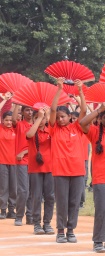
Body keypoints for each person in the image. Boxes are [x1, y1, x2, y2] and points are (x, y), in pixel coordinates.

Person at [48, 79, 87, 243]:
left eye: (63, 117)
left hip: (77, 171)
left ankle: (71, 230)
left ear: (70, 117)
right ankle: (60, 231)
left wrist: (80, 91)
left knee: (74, 202)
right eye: (58, 117)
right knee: (62, 202)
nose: (60, 120)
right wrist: (59, 89)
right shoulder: (54, 129)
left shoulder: (77, 127)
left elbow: (84, 110)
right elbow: (52, 109)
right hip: (60, 171)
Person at [80, 102, 105, 252]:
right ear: (100, 119)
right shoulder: (95, 132)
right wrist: (99, 110)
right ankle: (98, 241)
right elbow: (82, 123)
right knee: (102, 211)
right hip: (102, 178)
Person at [25, 107, 55, 235]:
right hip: (35, 169)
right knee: (36, 196)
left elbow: (53, 128)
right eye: (37, 117)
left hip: (50, 168)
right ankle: (36, 223)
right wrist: (39, 117)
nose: (41, 120)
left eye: (42, 118)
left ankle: (47, 223)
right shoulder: (31, 129)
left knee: (50, 197)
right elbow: (29, 135)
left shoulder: (50, 130)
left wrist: (47, 115)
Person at [11, 105, 33, 225]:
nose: (30, 112)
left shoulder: (37, 125)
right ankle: (19, 216)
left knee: (33, 190)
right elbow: (14, 119)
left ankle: (30, 216)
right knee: (23, 190)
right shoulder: (20, 125)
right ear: (22, 112)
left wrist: (24, 152)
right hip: (22, 162)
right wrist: (16, 104)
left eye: (31, 110)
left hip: (34, 162)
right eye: (27, 110)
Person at [0, 107, 17, 220]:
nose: (9, 122)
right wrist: (4, 101)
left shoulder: (16, 129)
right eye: (6, 120)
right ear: (2, 120)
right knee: (3, 187)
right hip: (2, 162)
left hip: (15, 163)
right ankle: (2, 210)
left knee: (13, 188)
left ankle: (11, 210)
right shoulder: (0, 128)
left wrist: (16, 105)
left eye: (10, 120)